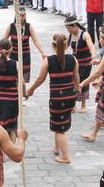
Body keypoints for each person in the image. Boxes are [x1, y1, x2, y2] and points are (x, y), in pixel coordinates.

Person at [26, 34, 80, 163]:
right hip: (70, 95)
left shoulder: (48, 60)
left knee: (59, 129)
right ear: (67, 45)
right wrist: (78, 89)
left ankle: (65, 156)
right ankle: (56, 147)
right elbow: (76, 77)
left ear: (53, 45)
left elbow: (41, 78)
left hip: (57, 97)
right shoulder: (73, 59)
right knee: (62, 122)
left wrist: (31, 89)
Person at [3, 7, 46, 84]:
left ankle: (22, 93)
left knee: (23, 78)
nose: (22, 17)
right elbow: (4, 40)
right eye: (20, 15)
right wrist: (1, 53)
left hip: (25, 55)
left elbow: (35, 40)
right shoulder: (11, 26)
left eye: (24, 15)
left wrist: (42, 52)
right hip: (13, 54)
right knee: (13, 75)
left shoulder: (29, 27)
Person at [65, 16, 96, 112]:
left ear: (74, 26)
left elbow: (91, 46)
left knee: (83, 82)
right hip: (75, 62)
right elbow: (64, 47)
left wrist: (94, 57)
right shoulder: (70, 36)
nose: (68, 30)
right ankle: (73, 103)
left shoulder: (85, 34)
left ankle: (83, 104)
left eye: (69, 28)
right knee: (73, 81)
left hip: (86, 62)